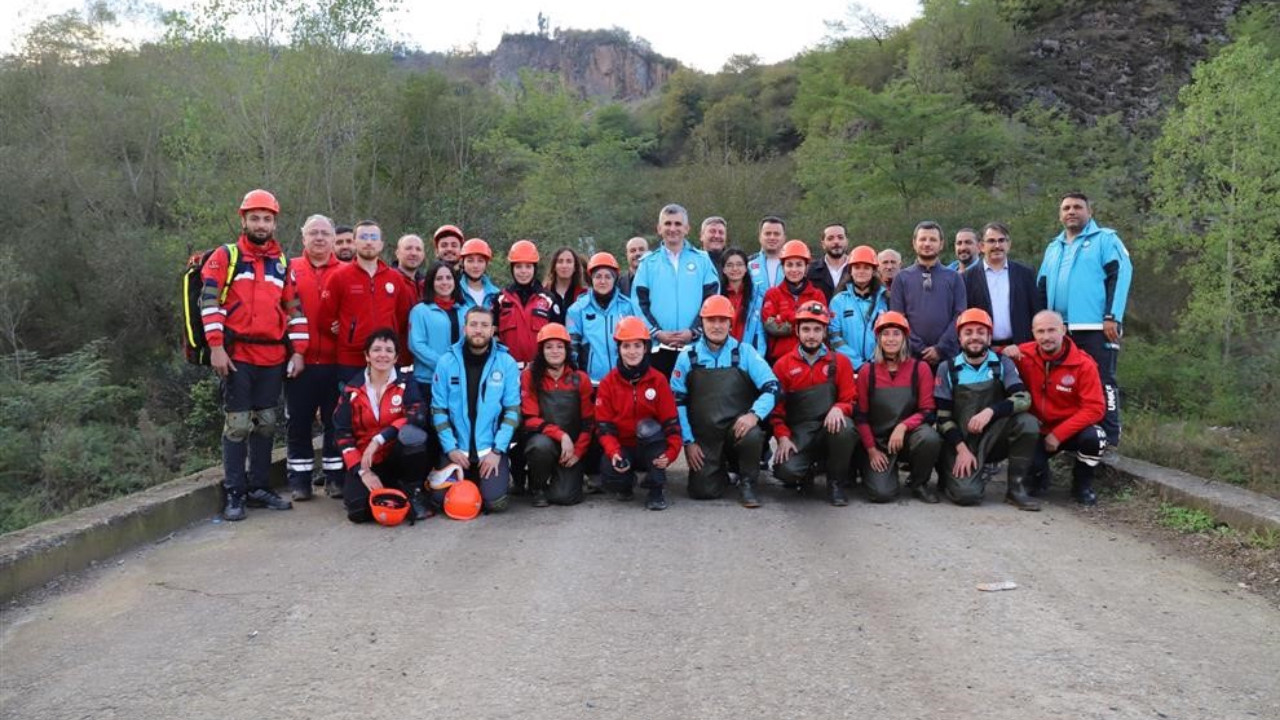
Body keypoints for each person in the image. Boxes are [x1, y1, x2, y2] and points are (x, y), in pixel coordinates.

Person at [200, 189, 307, 521]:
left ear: (274, 223)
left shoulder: (282, 263)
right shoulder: (226, 256)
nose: (261, 224)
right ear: (243, 219)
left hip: (273, 356)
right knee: (237, 425)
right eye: (255, 218)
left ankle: (259, 487)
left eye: (267, 219)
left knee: (266, 424)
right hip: (237, 356)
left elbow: (294, 310)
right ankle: (235, 492)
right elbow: (209, 303)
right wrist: (216, 348)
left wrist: (299, 351)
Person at [1038, 192, 1132, 448]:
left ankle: (1110, 440)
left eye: (1077, 207)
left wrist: (1112, 316)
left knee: (1103, 381)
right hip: (1060, 331)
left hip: (1095, 327)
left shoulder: (1106, 240)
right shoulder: (1053, 247)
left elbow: (1121, 274)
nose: (1071, 211)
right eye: (1066, 207)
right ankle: (1075, 438)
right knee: (1065, 386)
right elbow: (1042, 284)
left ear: (1089, 212)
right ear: (1060, 214)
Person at [672, 296, 780, 507]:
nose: (717, 326)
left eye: (723, 320)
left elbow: (773, 387)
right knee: (702, 492)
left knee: (753, 434)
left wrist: (754, 414)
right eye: (711, 320)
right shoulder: (687, 356)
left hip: (736, 430)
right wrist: (688, 442)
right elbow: (677, 401)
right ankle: (718, 472)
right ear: (702, 322)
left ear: (731, 323)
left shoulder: (746, 352)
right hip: (704, 437)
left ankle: (747, 482)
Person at [934, 309, 1040, 510]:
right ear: (959, 338)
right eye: (968, 332)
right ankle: (949, 475)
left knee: (1028, 422)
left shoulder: (1002, 364)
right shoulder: (947, 368)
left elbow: (1023, 398)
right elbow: (942, 418)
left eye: (981, 332)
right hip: (961, 442)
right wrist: (962, 450)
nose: (975, 337)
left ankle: (1016, 489)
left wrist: (991, 411)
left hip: (993, 438)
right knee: (967, 496)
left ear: (989, 336)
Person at [1006, 310, 1107, 505]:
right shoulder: (1022, 354)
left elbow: (1095, 408)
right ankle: (1040, 473)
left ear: (1064, 330)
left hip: (1070, 430)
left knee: (1096, 438)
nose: (1046, 337)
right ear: (1033, 333)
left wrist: (1059, 434)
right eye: (1040, 331)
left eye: (1052, 330)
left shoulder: (1084, 364)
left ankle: (1082, 485)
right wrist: (1006, 352)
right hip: (1037, 430)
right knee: (1032, 485)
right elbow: (987, 356)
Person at [334, 329, 432, 523]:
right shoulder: (351, 390)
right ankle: (390, 490)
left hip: (396, 456)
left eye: (389, 350)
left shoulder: (406, 382)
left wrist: (380, 439)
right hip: (366, 461)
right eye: (377, 349)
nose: (382, 355)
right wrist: (363, 472)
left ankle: (413, 491)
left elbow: (417, 413)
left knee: (413, 435)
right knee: (358, 512)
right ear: (367, 356)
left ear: (396, 357)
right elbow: (341, 435)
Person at [430, 306, 521, 513]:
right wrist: (450, 449)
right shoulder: (446, 362)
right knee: (439, 500)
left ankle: (484, 481)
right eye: (473, 325)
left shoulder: (506, 363)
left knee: (495, 503)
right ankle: (464, 476)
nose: (478, 330)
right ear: (465, 329)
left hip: (489, 450)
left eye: (484, 325)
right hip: (456, 450)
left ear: (493, 330)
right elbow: (438, 410)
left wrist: (497, 451)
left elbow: (512, 411)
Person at [769, 301, 857, 506]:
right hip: (800, 433)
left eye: (817, 329)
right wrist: (782, 437)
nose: (811, 335)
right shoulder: (783, 365)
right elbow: (776, 411)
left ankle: (836, 483)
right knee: (785, 471)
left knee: (846, 429)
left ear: (825, 332)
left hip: (830, 429)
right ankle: (808, 469)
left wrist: (839, 408)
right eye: (806, 329)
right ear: (797, 332)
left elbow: (851, 399)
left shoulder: (840, 362)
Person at [595, 316, 683, 510]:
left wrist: (670, 454)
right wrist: (614, 453)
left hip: (650, 446)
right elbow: (604, 428)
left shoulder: (659, 381)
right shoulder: (608, 383)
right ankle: (626, 482)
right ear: (618, 349)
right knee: (610, 473)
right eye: (626, 346)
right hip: (623, 446)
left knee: (649, 429)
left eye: (637, 345)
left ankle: (656, 489)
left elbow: (672, 424)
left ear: (645, 348)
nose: (632, 352)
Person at [285, 214, 344, 501]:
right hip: (300, 361)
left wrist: (345, 325)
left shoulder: (346, 270)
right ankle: (300, 481)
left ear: (334, 238)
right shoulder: (288, 268)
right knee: (298, 422)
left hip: (336, 361)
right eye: (313, 233)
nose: (319, 238)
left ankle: (335, 478)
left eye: (324, 233)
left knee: (336, 422)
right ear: (303, 236)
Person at [854, 312, 941, 503]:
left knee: (929, 438)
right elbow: (860, 417)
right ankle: (867, 469)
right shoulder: (867, 372)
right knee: (881, 494)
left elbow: (928, 411)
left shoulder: (921, 369)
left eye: (896, 334)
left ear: (904, 338)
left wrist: (903, 427)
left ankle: (919, 482)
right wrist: (871, 450)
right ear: (878, 339)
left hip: (908, 438)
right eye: (886, 334)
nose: (891, 339)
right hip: (878, 443)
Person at [319, 219, 416, 383]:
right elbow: (325, 317)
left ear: (381, 244)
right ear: (355, 242)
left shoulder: (395, 279)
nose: (369, 242)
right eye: (363, 237)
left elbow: (402, 318)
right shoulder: (339, 277)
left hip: (385, 359)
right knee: (352, 407)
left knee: (385, 407)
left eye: (373, 237)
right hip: (350, 360)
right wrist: (345, 331)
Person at [630, 203, 720, 377]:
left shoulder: (702, 260)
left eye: (678, 224)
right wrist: (657, 333)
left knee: (695, 402)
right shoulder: (648, 263)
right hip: (658, 348)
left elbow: (712, 301)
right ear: (659, 228)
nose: (673, 229)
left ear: (687, 228)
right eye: (668, 223)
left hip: (696, 347)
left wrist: (694, 332)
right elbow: (638, 303)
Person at [520, 324, 594, 507]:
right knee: (539, 446)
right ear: (541, 351)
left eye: (560, 346)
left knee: (565, 497)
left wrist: (577, 452)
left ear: (567, 350)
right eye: (549, 347)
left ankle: (561, 478)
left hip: (571, 448)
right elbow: (529, 419)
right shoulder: (529, 376)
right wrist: (561, 436)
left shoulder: (581, 379)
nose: (554, 351)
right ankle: (537, 486)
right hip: (546, 440)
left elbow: (588, 422)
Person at [890, 221, 966, 368]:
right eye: (922, 239)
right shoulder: (902, 278)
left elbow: (960, 316)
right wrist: (919, 348)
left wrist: (940, 348)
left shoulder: (954, 277)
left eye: (933, 239)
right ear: (914, 243)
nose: (927, 243)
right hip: (912, 357)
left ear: (941, 244)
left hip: (948, 356)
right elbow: (898, 318)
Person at [965, 222, 1041, 349]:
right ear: (981, 246)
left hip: (1022, 348)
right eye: (991, 241)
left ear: (1008, 244)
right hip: (984, 351)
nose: (997, 245)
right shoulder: (967, 278)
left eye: (1001, 240)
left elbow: (1036, 311)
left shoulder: (1025, 274)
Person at [567, 252, 637, 386]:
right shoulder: (577, 309)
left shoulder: (628, 307)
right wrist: (577, 377)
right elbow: (572, 348)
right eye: (598, 276)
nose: (603, 281)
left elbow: (638, 343)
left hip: (624, 380)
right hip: (591, 382)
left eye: (608, 277)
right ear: (591, 279)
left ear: (615, 279)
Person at [407, 261, 464, 410]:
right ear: (431, 282)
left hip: (460, 380)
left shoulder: (465, 310)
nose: (444, 282)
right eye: (439, 279)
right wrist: (444, 365)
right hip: (428, 380)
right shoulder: (420, 311)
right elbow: (416, 345)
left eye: (448, 278)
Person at [761, 240, 826, 363]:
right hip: (779, 360)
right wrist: (803, 318)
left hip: (812, 360)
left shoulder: (817, 295)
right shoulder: (772, 294)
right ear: (783, 267)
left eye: (799, 264)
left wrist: (783, 317)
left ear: (806, 267)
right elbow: (771, 327)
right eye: (789, 265)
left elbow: (820, 327)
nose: (794, 269)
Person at [829, 245, 888, 373]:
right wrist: (857, 364)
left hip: (878, 367)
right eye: (857, 267)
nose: (861, 271)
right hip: (846, 367)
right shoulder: (838, 301)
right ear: (850, 270)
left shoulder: (885, 300)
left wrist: (874, 362)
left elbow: (889, 334)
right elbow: (834, 336)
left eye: (866, 267)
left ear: (873, 271)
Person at [495, 239, 553, 366]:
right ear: (512, 269)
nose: (523, 271)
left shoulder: (548, 299)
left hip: (540, 370)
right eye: (518, 266)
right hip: (508, 370)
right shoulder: (500, 299)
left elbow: (558, 338)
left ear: (535, 268)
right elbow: (493, 335)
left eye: (528, 266)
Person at [719, 248, 766, 355]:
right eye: (729, 265)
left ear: (746, 268)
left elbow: (760, 333)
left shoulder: (757, 297)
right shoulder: (717, 296)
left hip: (748, 356)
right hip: (722, 354)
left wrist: (757, 357)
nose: (735, 268)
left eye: (739, 264)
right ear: (724, 269)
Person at [543, 247, 587, 326]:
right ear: (554, 267)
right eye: (560, 261)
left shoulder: (584, 296)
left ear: (575, 267)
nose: (564, 266)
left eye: (569, 261)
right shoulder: (543, 295)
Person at [458, 238, 502, 312]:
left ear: (486, 264)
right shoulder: (455, 292)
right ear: (462, 263)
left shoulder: (496, 294)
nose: (475, 265)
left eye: (480, 261)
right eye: (470, 261)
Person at [808, 223, 850, 301]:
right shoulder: (810, 270)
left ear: (847, 241)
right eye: (830, 238)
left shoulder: (857, 269)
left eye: (840, 237)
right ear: (823, 244)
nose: (836, 242)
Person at [748, 215, 788, 292]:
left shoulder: (793, 265)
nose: (772, 237)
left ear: (784, 238)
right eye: (768, 233)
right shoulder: (748, 264)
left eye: (776, 234)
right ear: (760, 237)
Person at [393, 233, 427, 299]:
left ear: (423, 255)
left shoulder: (426, 285)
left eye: (418, 249)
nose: (414, 253)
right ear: (397, 253)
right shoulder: (389, 280)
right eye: (408, 248)